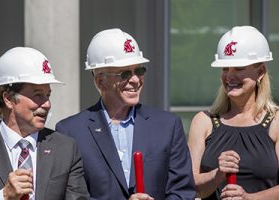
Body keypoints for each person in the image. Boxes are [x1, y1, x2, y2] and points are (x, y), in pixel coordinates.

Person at [56, 28, 195, 200]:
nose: (135, 80)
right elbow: (72, 196)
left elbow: (183, 192)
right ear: (101, 81)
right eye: (125, 74)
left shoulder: (168, 126)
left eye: (139, 71)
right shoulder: (71, 132)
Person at [0, 47, 90, 200]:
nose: (47, 104)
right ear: (8, 99)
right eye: (38, 95)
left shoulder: (65, 149)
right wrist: (3, 197)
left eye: (48, 95)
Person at [188, 25, 279, 200]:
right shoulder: (203, 121)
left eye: (238, 68)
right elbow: (188, 185)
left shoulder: (276, 121)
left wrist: (249, 198)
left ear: (260, 72)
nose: (229, 76)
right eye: (225, 68)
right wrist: (217, 174)